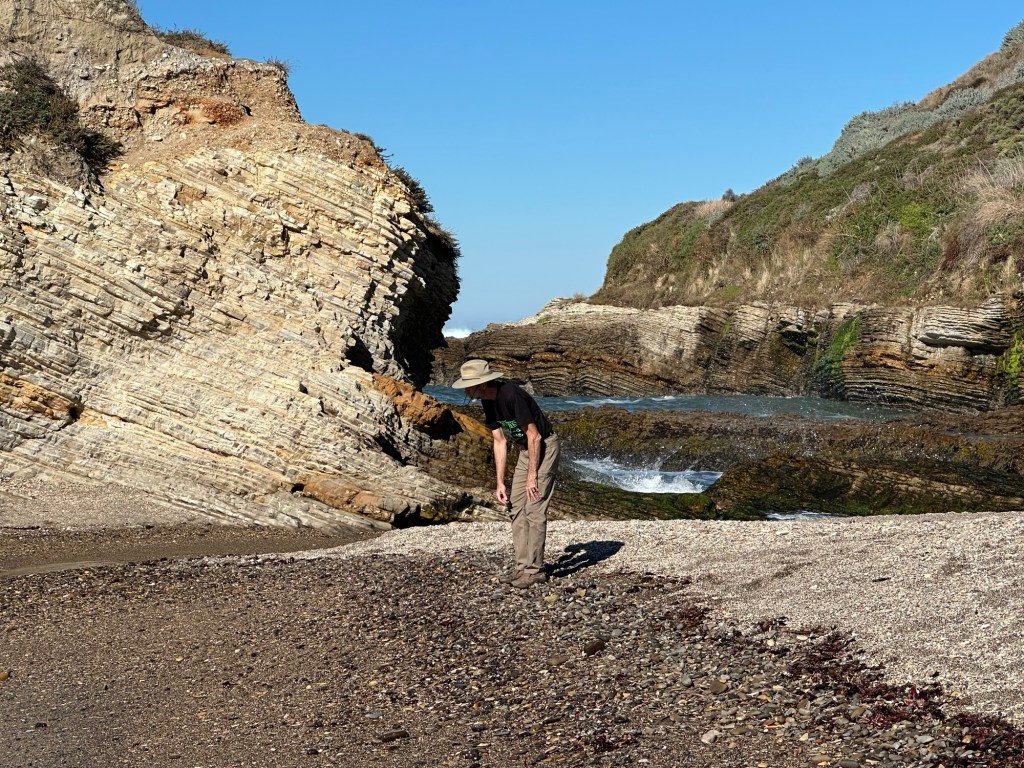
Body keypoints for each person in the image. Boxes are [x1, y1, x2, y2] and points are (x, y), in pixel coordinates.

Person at [452, 359, 560, 589]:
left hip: (544, 447)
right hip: (525, 450)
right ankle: (522, 568)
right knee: (516, 508)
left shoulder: (511, 395)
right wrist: (500, 482)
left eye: (468, 385)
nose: (465, 390)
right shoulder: (487, 401)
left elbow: (535, 437)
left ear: (482, 384)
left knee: (534, 506)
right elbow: (499, 441)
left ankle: (535, 570)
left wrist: (533, 477)